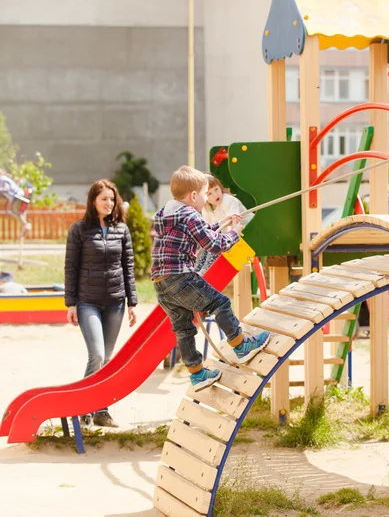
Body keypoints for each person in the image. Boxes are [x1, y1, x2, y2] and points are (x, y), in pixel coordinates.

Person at [151, 165, 270, 392]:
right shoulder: (190, 215)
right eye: (205, 194)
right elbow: (214, 245)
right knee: (220, 302)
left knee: (183, 327)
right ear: (193, 196)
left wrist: (222, 223)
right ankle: (240, 344)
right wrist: (234, 233)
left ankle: (197, 374)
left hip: (160, 282)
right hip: (180, 277)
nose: (207, 199)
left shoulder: (166, 213)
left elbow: (200, 231)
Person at [64, 179, 138, 428]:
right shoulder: (79, 230)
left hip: (116, 302)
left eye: (112, 199)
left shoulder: (122, 230)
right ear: (93, 201)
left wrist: (132, 302)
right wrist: (71, 303)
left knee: (107, 359)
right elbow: (71, 268)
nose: (109, 203)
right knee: (96, 355)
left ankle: (101, 411)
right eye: (103, 199)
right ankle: (83, 407)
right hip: (88, 302)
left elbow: (129, 266)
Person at [196, 174, 255, 275]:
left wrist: (228, 243)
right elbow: (209, 231)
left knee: (216, 245)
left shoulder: (228, 200)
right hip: (228, 237)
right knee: (209, 244)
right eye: (209, 194)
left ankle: (206, 269)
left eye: (216, 189)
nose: (215, 194)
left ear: (220, 187)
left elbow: (234, 223)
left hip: (249, 232)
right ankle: (199, 269)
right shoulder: (206, 208)